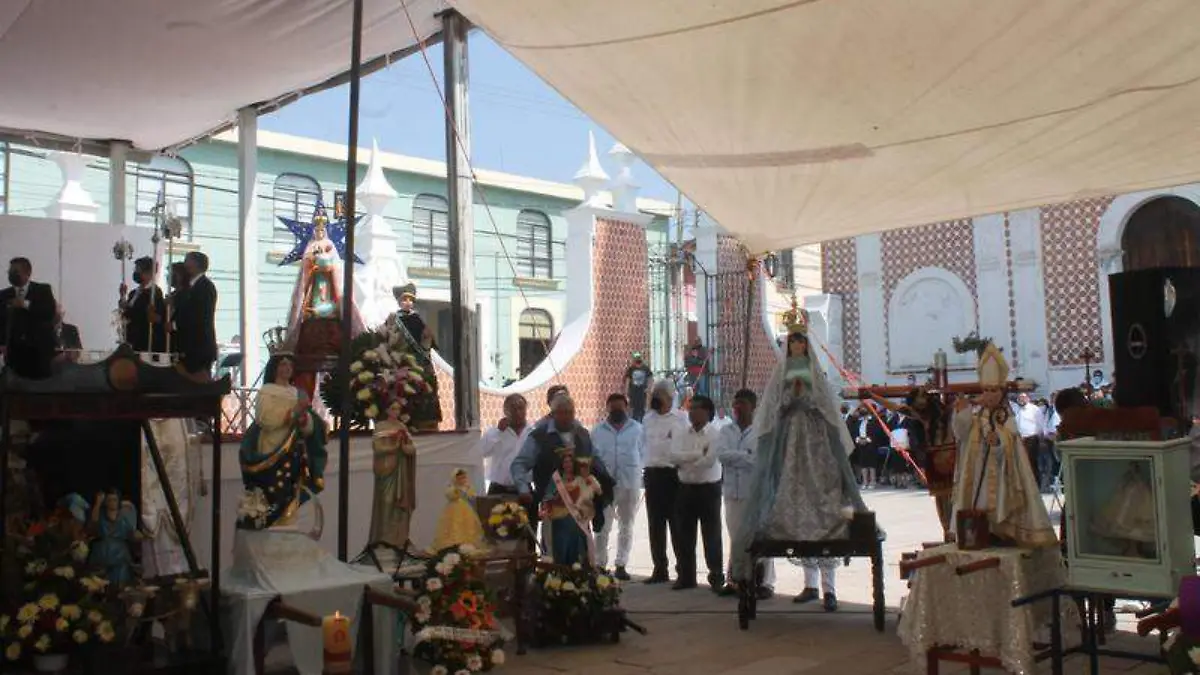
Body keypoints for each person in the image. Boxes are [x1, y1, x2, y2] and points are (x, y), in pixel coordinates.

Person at [729, 304, 867, 613]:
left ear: (806, 344)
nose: (796, 347)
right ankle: (810, 584)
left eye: (800, 342)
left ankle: (830, 587)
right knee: (794, 494)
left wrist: (809, 398)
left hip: (816, 441)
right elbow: (772, 406)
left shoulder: (815, 372)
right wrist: (789, 399)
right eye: (791, 342)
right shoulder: (782, 373)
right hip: (791, 440)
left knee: (822, 496)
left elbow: (828, 405)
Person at [950, 344, 1056, 548]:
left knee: (999, 502)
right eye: (986, 390)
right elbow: (960, 433)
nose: (989, 394)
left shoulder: (1006, 416)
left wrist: (998, 441)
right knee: (978, 502)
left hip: (1002, 474)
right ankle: (980, 532)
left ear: (1002, 392)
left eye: (994, 390)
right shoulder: (976, 415)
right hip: (976, 473)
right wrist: (962, 410)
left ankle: (1002, 531)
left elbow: (1011, 444)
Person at [511, 393, 615, 558]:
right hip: (553, 505)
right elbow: (519, 464)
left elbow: (596, 460)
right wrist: (524, 489)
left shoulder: (582, 434)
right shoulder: (540, 436)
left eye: (570, 412)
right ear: (553, 413)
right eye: (562, 412)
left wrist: (604, 483)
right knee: (555, 552)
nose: (567, 416)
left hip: (581, 507)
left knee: (581, 552)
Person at [237, 352, 328, 530]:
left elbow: (308, 423)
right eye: (283, 364)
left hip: (293, 450)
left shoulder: (297, 393)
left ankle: (287, 520)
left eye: (290, 365)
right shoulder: (267, 391)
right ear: (274, 368)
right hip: (272, 448)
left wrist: (304, 420)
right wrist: (293, 413)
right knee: (272, 487)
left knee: (291, 487)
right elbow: (265, 419)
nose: (287, 368)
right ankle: (269, 519)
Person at [718, 389, 775, 598]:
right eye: (736, 404)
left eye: (742, 403)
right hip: (732, 492)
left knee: (759, 537)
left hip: (754, 493)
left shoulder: (761, 431)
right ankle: (736, 579)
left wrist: (738, 457)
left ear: (753, 406)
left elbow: (759, 460)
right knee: (736, 537)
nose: (738, 408)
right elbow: (721, 455)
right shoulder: (726, 430)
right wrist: (745, 455)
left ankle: (765, 582)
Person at [670, 394, 724, 591]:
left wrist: (686, 463)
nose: (691, 412)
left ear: (707, 412)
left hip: (708, 488)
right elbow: (673, 456)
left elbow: (709, 461)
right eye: (690, 408)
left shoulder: (715, 434)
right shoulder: (682, 432)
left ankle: (716, 575)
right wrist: (697, 454)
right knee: (684, 533)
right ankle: (686, 576)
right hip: (685, 488)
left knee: (711, 534)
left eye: (696, 408)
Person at [591, 393, 645, 579]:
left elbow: (644, 454)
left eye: (620, 408)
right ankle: (600, 564)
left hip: (629, 484)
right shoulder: (597, 431)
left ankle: (621, 564)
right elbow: (593, 458)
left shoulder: (638, 429)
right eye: (613, 408)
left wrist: (637, 472)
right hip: (604, 487)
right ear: (607, 408)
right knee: (602, 527)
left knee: (626, 525)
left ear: (626, 408)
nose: (616, 411)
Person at [641, 379, 688, 584]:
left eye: (659, 395)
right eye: (654, 395)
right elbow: (642, 444)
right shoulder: (647, 419)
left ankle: (683, 570)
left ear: (669, 398)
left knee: (677, 524)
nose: (655, 399)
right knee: (655, 524)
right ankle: (660, 569)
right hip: (652, 474)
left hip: (673, 476)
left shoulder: (681, 418)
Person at [388, 283, 440, 429]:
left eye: (411, 300)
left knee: (424, 388)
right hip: (401, 361)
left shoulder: (417, 319)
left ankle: (426, 421)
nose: (408, 302)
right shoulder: (393, 319)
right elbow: (386, 338)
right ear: (399, 301)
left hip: (419, 362)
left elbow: (427, 341)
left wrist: (427, 338)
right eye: (404, 299)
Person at [539, 454, 603, 565]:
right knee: (563, 526)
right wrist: (554, 499)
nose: (568, 464)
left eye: (570, 462)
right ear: (562, 464)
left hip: (577, 515)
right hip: (559, 514)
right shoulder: (556, 479)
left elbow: (590, 496)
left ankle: (577, 562)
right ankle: (559, 563)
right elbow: (547, 496)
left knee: (575, 526)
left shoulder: (580, 479)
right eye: (565, 462)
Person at [0, 257, 57, 379]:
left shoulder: (43, 290)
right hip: (14, 353)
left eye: (15, 271)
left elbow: (49, 313)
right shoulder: (3, 295)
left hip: (39, 352)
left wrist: (25, 304)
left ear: (27, 273)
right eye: (10, 271)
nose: (11, 275)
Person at [174, 252, 218, 377]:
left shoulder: (205, 287)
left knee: (198, 381)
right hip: (188, 345)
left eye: (187, 261)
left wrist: (174, 325)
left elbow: (198, 316)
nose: (184, 264)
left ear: (196, 264)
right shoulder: (190, 287)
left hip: (199, 345)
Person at [478, 394, 527, 495]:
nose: (518, 412)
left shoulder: (532, 432)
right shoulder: (494, 432)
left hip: (524, 490)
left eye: (521, 408)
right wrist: (498, 433)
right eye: (513, 409)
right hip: (498, 489)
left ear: (526, 410)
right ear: (505, 411)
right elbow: (481, 452)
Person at [120, 256, 167, 353]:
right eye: (135, 270)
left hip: (144, 339)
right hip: (132, 337)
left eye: (138, 270)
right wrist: (122, 295)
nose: (135, 273)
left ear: (149, 273)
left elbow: (145, 315)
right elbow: (126, 311)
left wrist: (129, 310)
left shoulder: (154, 293)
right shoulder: (133, 292)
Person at [431, 468, 486, 551]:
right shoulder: (452, 488)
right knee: (453, 524)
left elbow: (472, 497)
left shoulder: (468, 487)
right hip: (454, 509)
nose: (462, 480)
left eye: (464, 478)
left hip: (466, 509)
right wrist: (456, 491)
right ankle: (454, 543)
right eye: (459, 478)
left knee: (468, 524)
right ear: (455, 479)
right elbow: (449, 495)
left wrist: (469, 493)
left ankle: (467, 543)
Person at [1014, 393, 1045, 489]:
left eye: (1023, 397)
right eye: (1020, 398)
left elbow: (1040, 424)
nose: (1021, 399)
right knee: (1021, 463)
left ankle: (1036, 485)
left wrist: (1041, 439)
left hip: (1031, 438)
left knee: (1031, 462)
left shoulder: (1034, 409)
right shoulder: (1016, 409)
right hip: (1019, 439)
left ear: (1028, 398)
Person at [624, 352, 654, 422]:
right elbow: (627, 381)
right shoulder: (631, 369)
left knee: (642, 411)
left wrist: (649, 389)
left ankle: (640, 422)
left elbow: (650, 379)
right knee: (635, 411)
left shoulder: (646, 369)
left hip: (643, 394)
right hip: (634, 393)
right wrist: (626, 393)